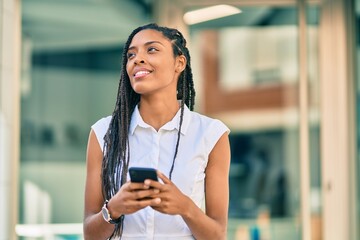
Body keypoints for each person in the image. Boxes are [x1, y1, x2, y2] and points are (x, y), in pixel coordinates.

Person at [83, 23, 231, 240]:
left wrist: (185, 207)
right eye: (131, 54)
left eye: (151, 49)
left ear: (179, 63)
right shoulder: (103, 133)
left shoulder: (211, 135)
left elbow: (218, 235)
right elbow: (89, 235)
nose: (137, 59)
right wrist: (113, 209)